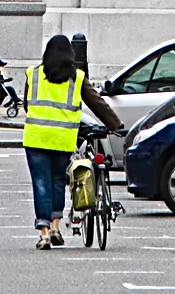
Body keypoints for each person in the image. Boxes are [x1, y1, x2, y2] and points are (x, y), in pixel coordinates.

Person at [23, 35, 124, 250]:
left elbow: (26, 104)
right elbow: (97, 103)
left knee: (41, 183)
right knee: (58, 182)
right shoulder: (77, 78)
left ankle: (43, 233)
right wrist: (116, 125)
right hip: (63, 139)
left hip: (36, 137)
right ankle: (56, 227)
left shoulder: (33, 75)